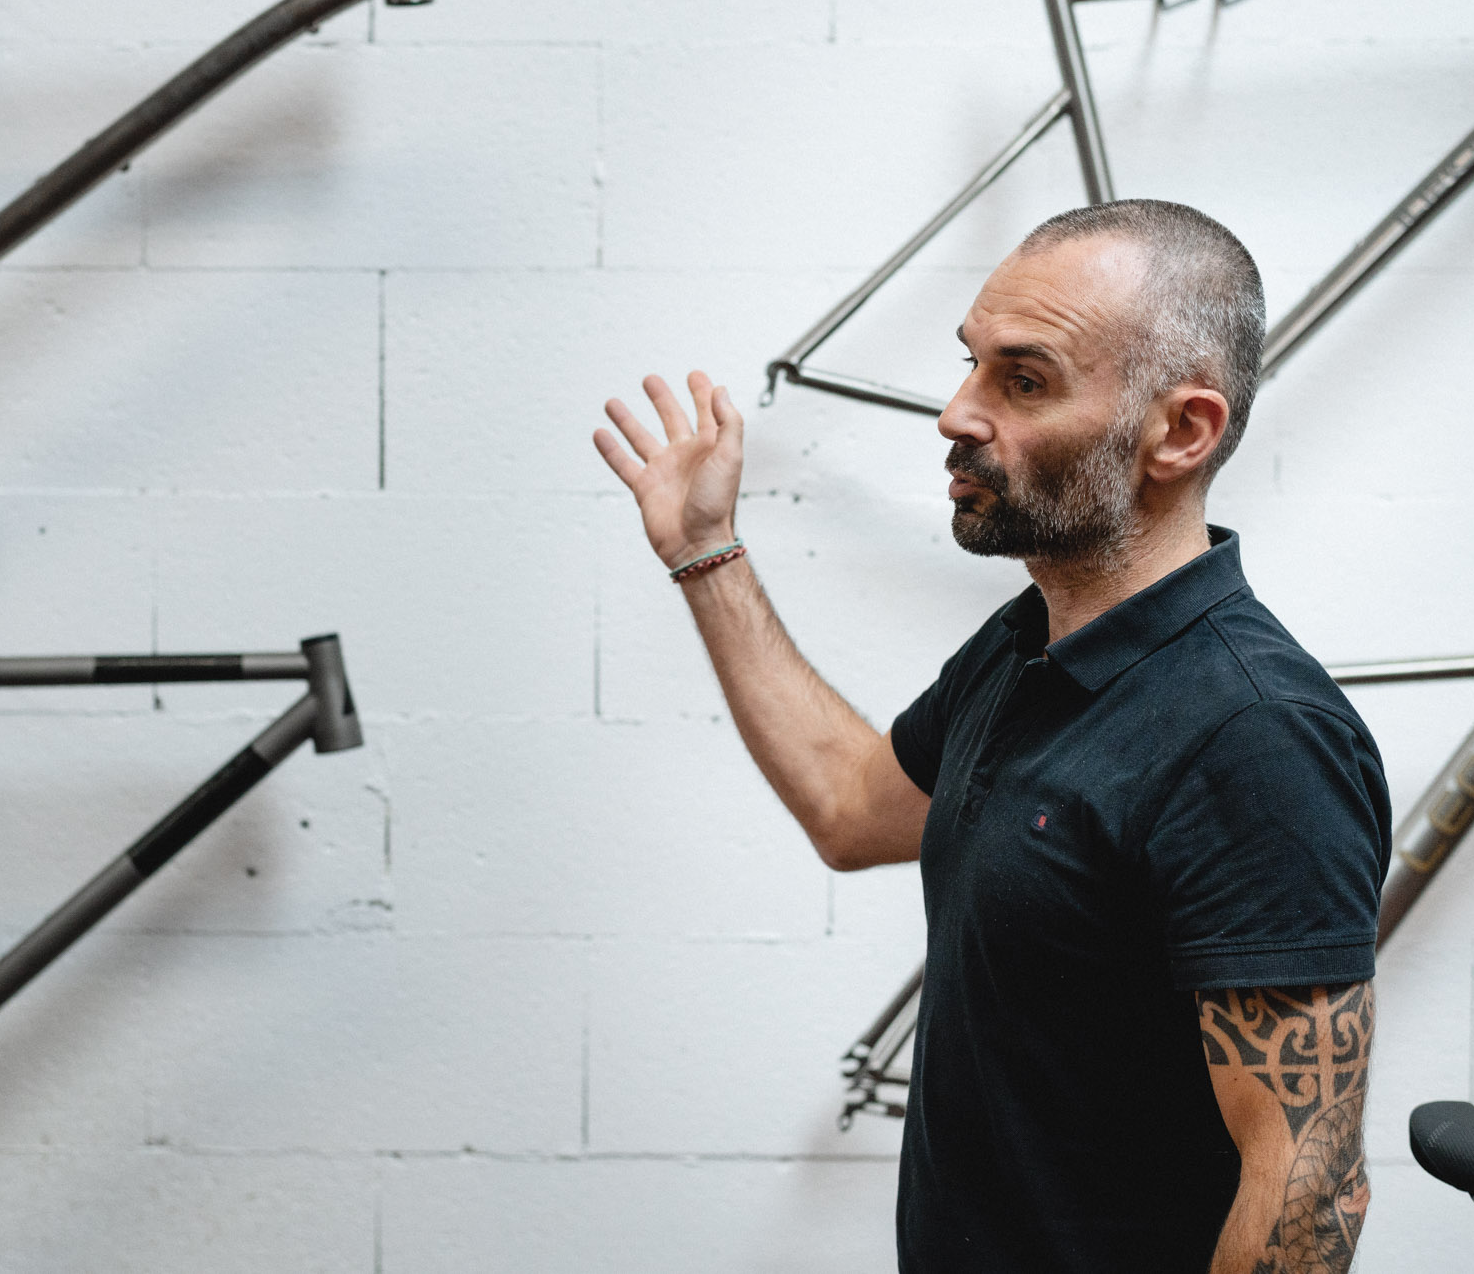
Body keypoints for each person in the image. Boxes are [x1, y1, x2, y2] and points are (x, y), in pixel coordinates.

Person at [592, 200, 1390, 1274]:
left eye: (1023, 381)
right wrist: (706, 552)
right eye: (970, 364)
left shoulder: (1253, 737)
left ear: (1180, 432)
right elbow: (847, 806)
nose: (954, 414)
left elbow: (1307, 1191)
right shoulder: (1029, 644)